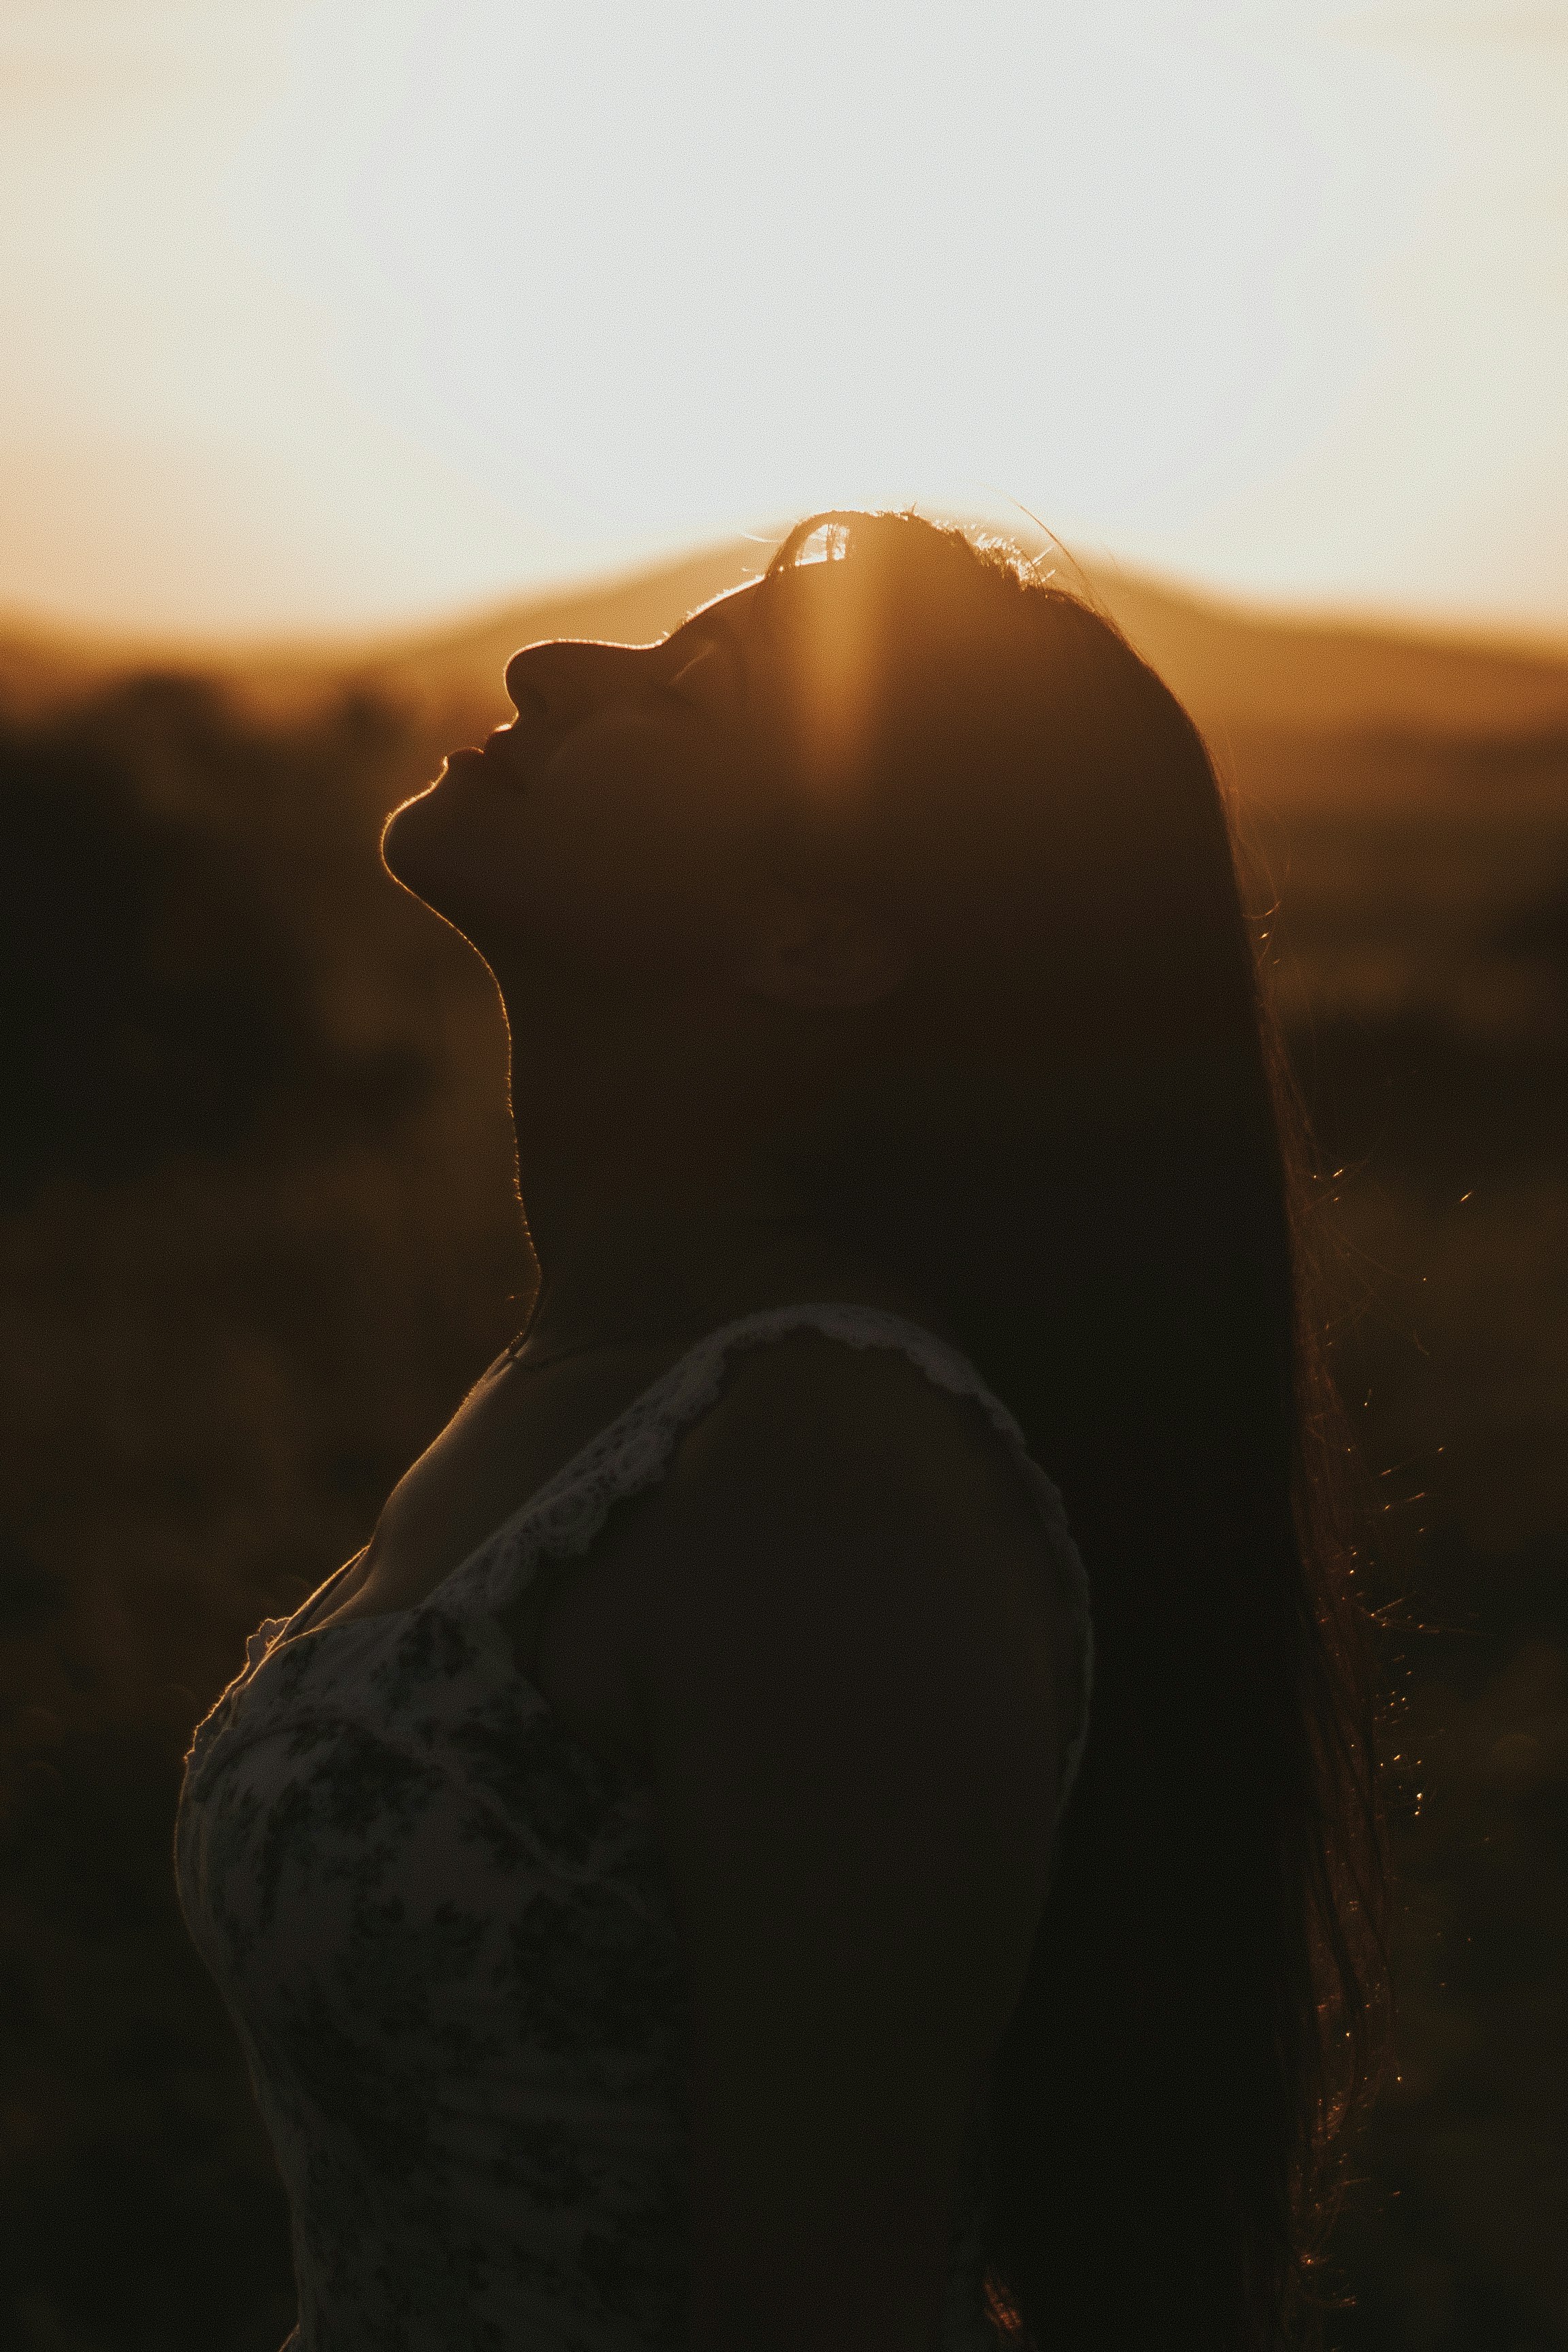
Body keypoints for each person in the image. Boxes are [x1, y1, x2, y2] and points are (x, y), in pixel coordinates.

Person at [176, 510, 1389, 2352]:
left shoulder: (823, 1479)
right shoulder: (608, 1381)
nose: (545, 670)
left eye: (688, 690)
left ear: (819, 942)